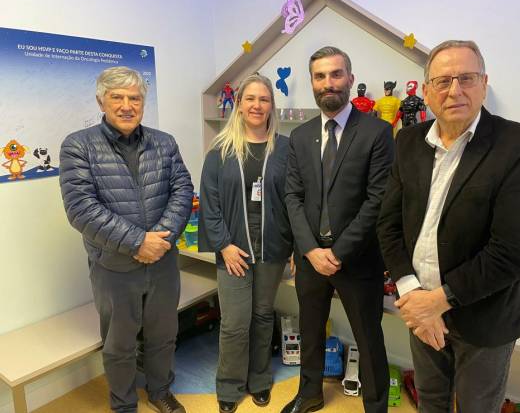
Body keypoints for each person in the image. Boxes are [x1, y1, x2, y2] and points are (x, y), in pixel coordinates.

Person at [377, 40, 520, 412]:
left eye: (466, 78)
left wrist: (435, 302)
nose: (454, 90)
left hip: (485, 316)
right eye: (443, 81)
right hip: (420, 306)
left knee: (477, 407)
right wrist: (411, 292)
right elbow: (388, 224)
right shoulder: (408, 141)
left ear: (484, 84)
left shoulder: (518, 144)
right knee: (430, 401)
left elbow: (514, 250)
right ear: (426, 92)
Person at [59, 66, 194, 413]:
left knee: (163, 334)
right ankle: (123, 404)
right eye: (117, 97)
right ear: (101, 102)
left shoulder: (164, 143)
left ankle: (160, 391)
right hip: (113, 267)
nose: (126, 105)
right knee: (119, 344)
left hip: (162, 262)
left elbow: (182, 191)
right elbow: (81, 209)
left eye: (134, 98)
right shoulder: (78, 146)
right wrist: (137, 243)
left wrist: (159, 241)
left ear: (143, 103)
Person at [282, 46, 394, 413]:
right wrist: (310, 249)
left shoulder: (378, 132)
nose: (327, 83)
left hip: (357, 260)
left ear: (350, 78)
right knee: (311, 330)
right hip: (311, 257)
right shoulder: (300, 136)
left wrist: (338, 252)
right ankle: (309, 393)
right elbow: (293, 196)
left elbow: (377, 200)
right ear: (312, 82)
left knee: (369, 337)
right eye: (319, 76)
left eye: (335, 74)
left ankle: (375, 406)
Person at [198, 73, 293, 413]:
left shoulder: (286, 149)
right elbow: (209, 204)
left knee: (263, 315)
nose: (257, 105)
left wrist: (296, 246)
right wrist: (223, 245)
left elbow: (295, 200)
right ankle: (229, 385)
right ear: (239, 104)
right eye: (250, 98)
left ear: (271, 106)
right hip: (233, 250)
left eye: (263, 99)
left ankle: (260, 380)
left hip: (272, 248)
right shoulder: (220, 152)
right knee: (235, 322)